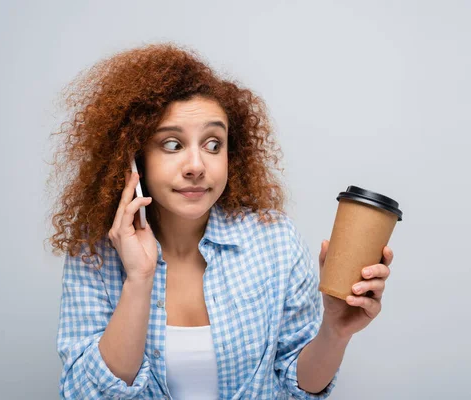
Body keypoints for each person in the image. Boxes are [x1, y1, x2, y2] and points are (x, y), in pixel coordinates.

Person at [46, 42, 394, 399]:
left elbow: (298, 387)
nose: (197, 166)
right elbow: (86, 394)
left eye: (213, 144)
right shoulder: (95, 254)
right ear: (135, 158)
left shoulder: (274, 241)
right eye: (171, 144)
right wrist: (139, 278)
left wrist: (335, 331)